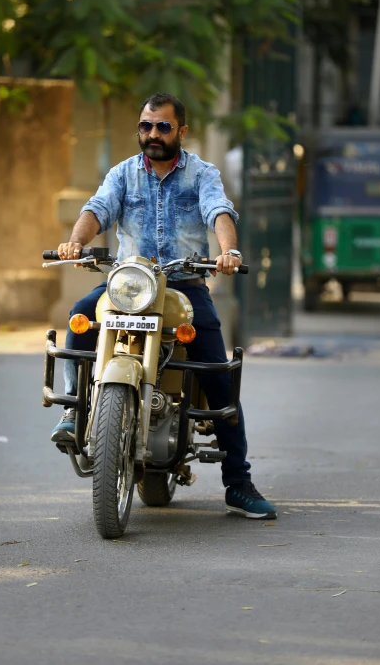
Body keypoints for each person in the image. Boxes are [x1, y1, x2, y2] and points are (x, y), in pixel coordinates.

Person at [52, 92, 276, 520]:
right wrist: (76, 241)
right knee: (80, 319)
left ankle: (239, 482)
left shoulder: (201, 173)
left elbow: (218, 211)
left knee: (217, 377)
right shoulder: (122, 174)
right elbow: (97, 208)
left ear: (181, 131)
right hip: (131, 283)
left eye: (163, 127)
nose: (152, 134)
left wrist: (228, 251)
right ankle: (71, 412)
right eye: (145, 126)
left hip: (185, 285)